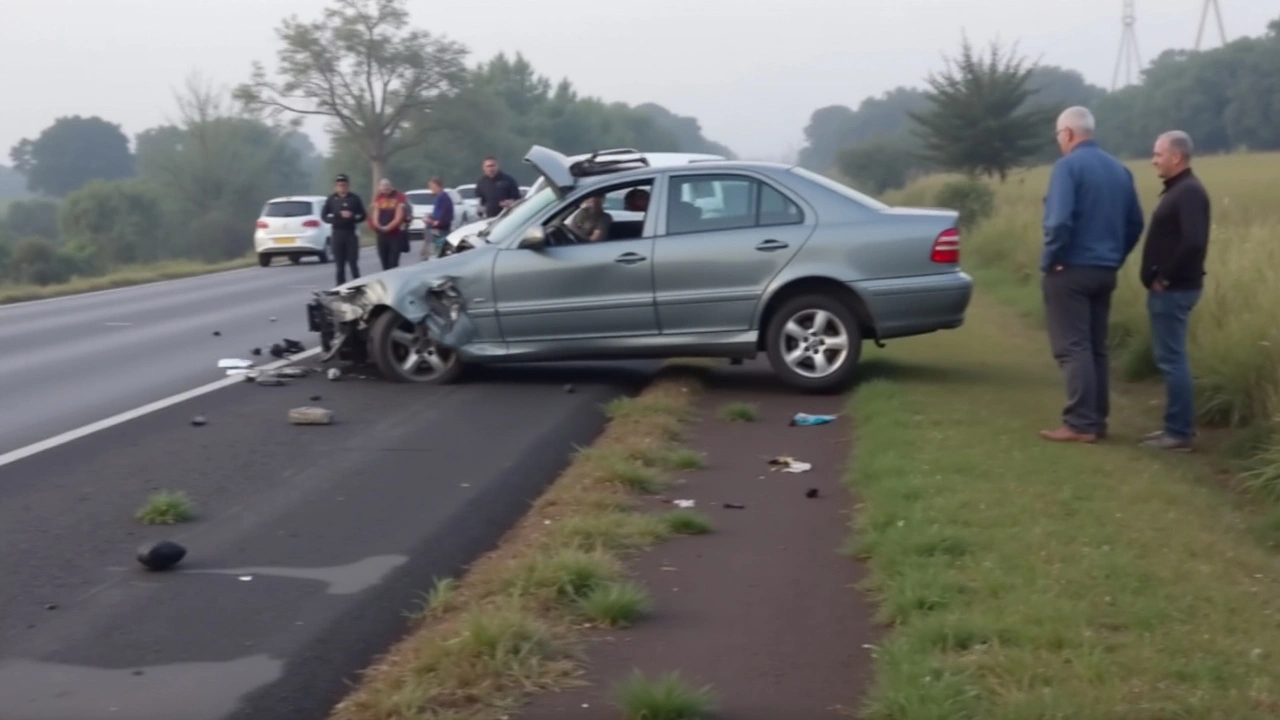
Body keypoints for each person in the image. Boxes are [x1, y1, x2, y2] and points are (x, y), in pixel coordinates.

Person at [1039, 106, 1145, 444]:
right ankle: (1097, 419)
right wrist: (1115, 257)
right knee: (1096, 347)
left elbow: (1058, 222)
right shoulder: (1120, 170)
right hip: (1105, 270)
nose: (1059, 142)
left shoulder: (1067, 167)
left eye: (1058, 135)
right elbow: (1135, 223)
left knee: (1073, 347)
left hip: (1070, 269)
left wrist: (1050, 259)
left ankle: (1080, 423)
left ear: (1067, 133)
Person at [1137, 130, 1211, 452]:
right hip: (1171, 289)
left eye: (1158, 154)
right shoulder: (1179, 191)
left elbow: (1194, 241)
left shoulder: (1190, 193)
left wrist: (1164, 278)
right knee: (1169, 357)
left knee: (1172, 359)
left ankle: (1179, 433)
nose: (1154, 160)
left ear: (1176, 157)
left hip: (1175, 290)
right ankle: (1174, 427)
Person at [321, 174, 367, 285]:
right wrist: (337, 215)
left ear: (348, 185)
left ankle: (357, 286)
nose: (342, 187)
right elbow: (324, 216)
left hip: (350, 233)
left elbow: (363, 215)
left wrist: (353, 216)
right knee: (339, 265)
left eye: (344, 185)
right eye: (339, 185)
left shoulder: (354, 198)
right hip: (337, 233)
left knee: (353, 263)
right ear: (336, 186)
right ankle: (340, 288)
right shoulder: (331, 199)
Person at [370, 178, 407, 271]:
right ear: (380, 188)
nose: (385, 190)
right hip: (382, 235)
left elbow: (399, 216)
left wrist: (388, 227)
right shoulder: (378, 197)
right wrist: (377, 225)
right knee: (384, 263)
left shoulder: (399, 197)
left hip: (395, 235)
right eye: (382, 188)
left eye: (387, 187)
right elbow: (375, 213)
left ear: (390, 187)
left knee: (393, 263)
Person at [423, 177, 454, 260]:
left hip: (441, 231)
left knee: (439, 254)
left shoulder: (444, 198)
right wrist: (430, 216)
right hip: (438, 230)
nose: (430, 189)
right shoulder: (439, 198)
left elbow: (442, 218)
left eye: (431, 187)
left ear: (437, 186)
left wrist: (429, 221)